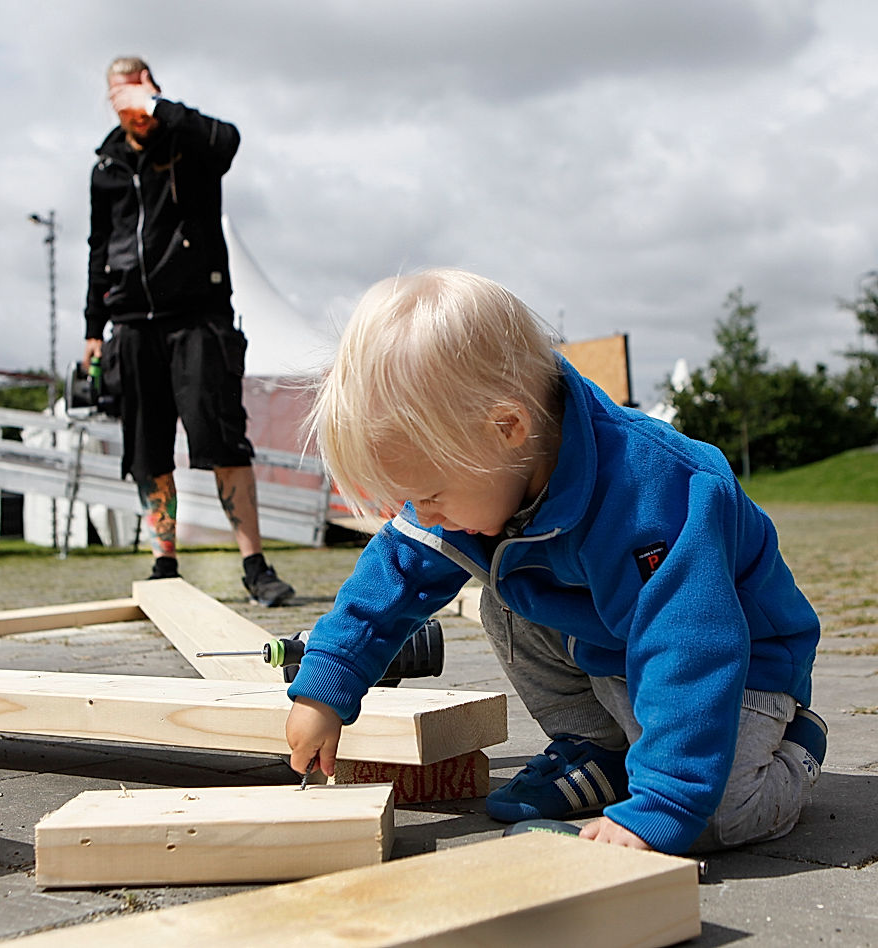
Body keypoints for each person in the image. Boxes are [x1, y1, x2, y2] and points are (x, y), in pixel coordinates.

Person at [284, 268, 826, 855]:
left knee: (709, 817)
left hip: (737, 670)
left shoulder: (654, 494)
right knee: (502, 597)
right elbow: (396, 573)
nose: (424, 514)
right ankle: (601, 749)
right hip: (617, 650)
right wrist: (325, 686)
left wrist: (663, 805)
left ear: (508, 427)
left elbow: (688, 647)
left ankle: (794, 747)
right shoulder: (482, 469)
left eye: (431, 496)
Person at [82, 56, 294, 606]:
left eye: (140, 93)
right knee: (146, 449)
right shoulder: (106, 166)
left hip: (198, 316)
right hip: (132, 323)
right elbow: (99, 248)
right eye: (123, 97)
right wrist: (92, 328)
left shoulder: (189, 141)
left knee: (221, 437)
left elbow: (229, 141)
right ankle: (164, 564)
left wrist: (160, 106)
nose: (133, 107)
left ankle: (255, 566)